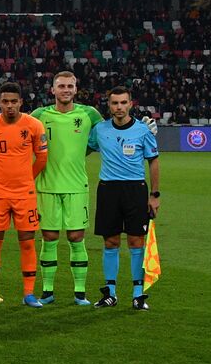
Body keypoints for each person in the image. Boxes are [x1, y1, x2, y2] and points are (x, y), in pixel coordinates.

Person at [32, 70, 104, 305]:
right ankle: (48, 291)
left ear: (76, 89)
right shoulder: (40, 115)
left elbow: (107, 134)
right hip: (47, 185)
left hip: (76, 185)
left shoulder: (89, 114)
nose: (65, 90)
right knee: (49, 236)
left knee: (76, 237)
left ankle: (80, 293)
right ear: (52, 90)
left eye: (69, 86)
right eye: (61, 86)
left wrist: (140, 130)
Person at [89, 86, 161, 310]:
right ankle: (110, 293)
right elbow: (84, 147)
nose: (119, 107)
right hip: (108, 190)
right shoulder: (99, 129)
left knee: (135, 241)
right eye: (114, 103)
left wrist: (154, 195)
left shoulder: (143, 130)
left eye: (123, 103)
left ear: (131, 104)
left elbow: (154, 161)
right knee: (110, 241)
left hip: (135, 190)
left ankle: (138, 295)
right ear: (108, 106)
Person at [0, 82, 49, 307]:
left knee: (27, 243)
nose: (9, 106)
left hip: (24, 194)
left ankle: (29, 293)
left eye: (13, 101)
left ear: (21, 102)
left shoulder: (34, 125)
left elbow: (41, 158)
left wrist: (25, 179)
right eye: (5, 102)